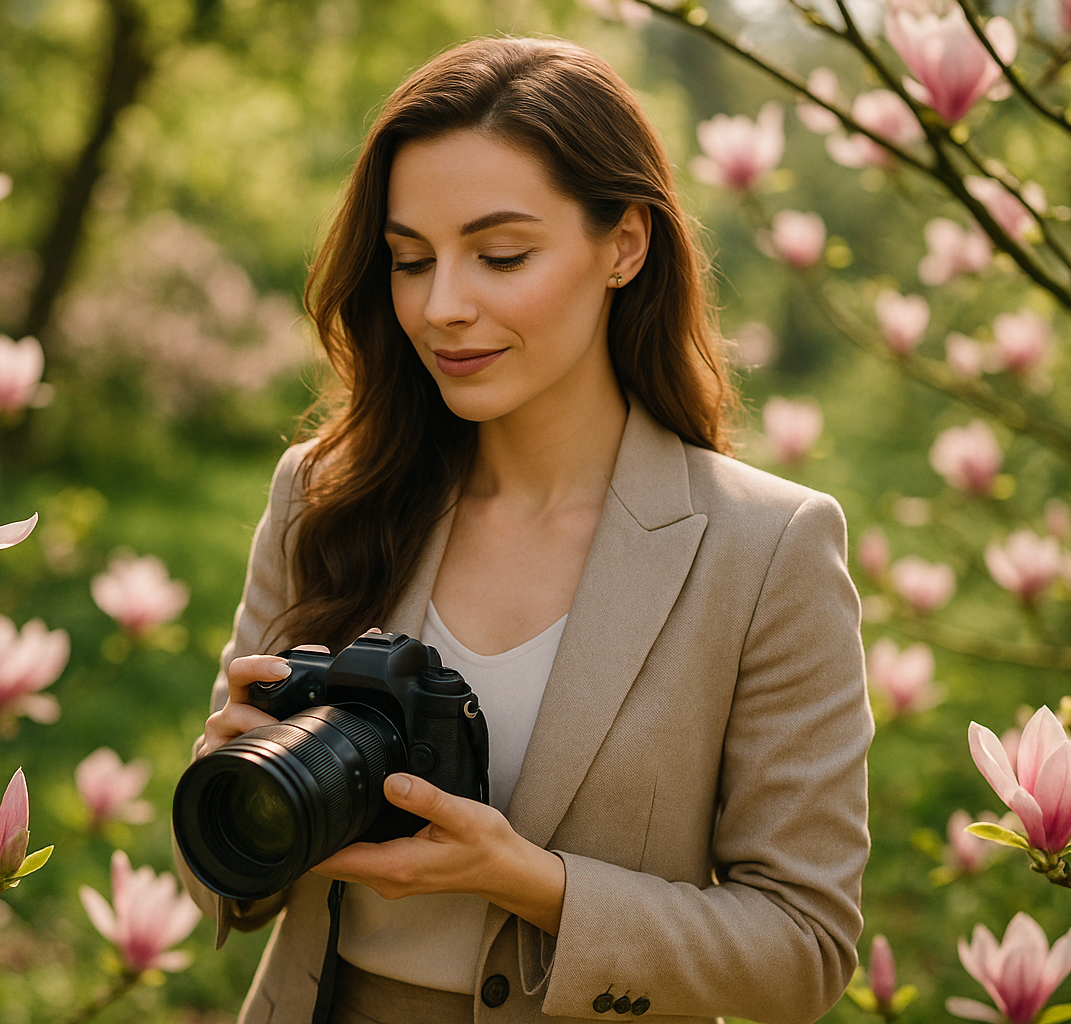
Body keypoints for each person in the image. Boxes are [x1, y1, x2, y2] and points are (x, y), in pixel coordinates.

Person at [173, 35, 872, 1024]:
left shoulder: (766, 550)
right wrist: (236, 783)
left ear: (624, 245)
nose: (442, 307)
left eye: (501, 255)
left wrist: (532, 880)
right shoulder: (326, 493)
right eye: (410, 260)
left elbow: (804, 948)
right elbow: (220, 886)